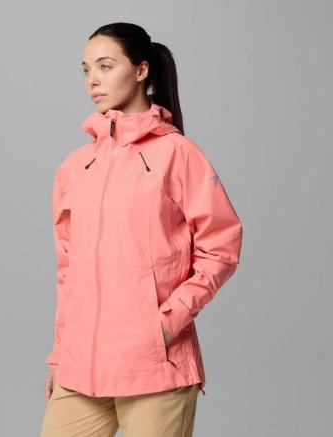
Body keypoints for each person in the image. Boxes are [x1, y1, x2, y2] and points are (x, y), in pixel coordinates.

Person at [39, 22, 243, 437]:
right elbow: (68, 272)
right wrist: (60, 354)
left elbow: (221, 247)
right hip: (81, 367)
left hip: (154, 366)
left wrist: (165, 324)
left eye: (105, 65)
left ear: (141, 70)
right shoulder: (74, 168)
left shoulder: (178, 155)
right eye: (86, 69)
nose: (93, 80)